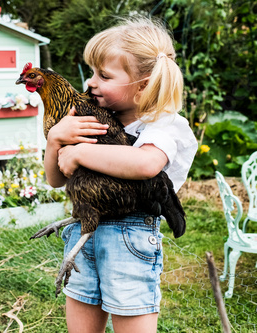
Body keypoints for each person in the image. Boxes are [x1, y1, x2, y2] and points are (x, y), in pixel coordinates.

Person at [44, 17, 198, 333]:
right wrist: (56, 140)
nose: (90, 82)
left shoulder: (163, 125)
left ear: (142, 86)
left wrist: (79, 152)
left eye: (104, 75)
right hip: (82, 234)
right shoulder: (92, 120)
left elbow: (145, 164)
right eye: (91, 72)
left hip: (130, 241)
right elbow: (56, 179)